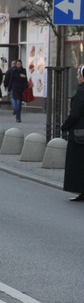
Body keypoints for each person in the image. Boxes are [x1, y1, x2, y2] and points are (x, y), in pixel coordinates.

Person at [62, 65, 84, 202]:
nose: (77, 77)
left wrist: (65, 126)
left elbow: (75, 114)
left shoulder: (81, 93)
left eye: (78, 74)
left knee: (78, 164)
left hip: (79, 134)